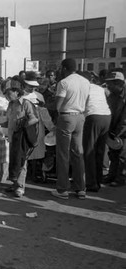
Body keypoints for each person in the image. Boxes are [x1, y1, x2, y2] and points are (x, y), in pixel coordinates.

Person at [51, 59, 90, 200]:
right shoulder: (85, 81)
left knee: (63, 154)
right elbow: (86, 102)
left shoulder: (64, 82)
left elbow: (58, 105)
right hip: (80, 117)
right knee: (78, 153)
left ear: (63, 68)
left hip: (66, 117)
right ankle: (81, 188)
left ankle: (62, 189)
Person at [4, 80, 39, 197]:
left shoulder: (26, 103)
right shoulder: (11, 104)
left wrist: (23, 124)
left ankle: (20, 187)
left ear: (16, 91)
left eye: (8, 93)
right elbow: (8, 120)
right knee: (14, 160)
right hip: (13, 137)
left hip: (22, 137)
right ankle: (14, 183)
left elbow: (34, 119)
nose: (6, 96)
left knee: (22, 161)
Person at [79, 71, 111, 192]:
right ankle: (98, 180)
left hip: (93, 117)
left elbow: (80, 106)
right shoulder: (99, 88)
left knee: (89, 150)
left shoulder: (83, 88)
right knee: (100, 150)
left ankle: (91, 183)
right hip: (106, 116)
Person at [104, 71, 126, 187]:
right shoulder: (112, 95)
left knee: (122, 155)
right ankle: (111, 175)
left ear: (119, 84)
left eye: (110, 84)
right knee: (113, 154)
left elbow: (124, 120)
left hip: (123, 130)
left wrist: (117, 133)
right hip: (114, 128)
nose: (108, 86)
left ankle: (120, 178)